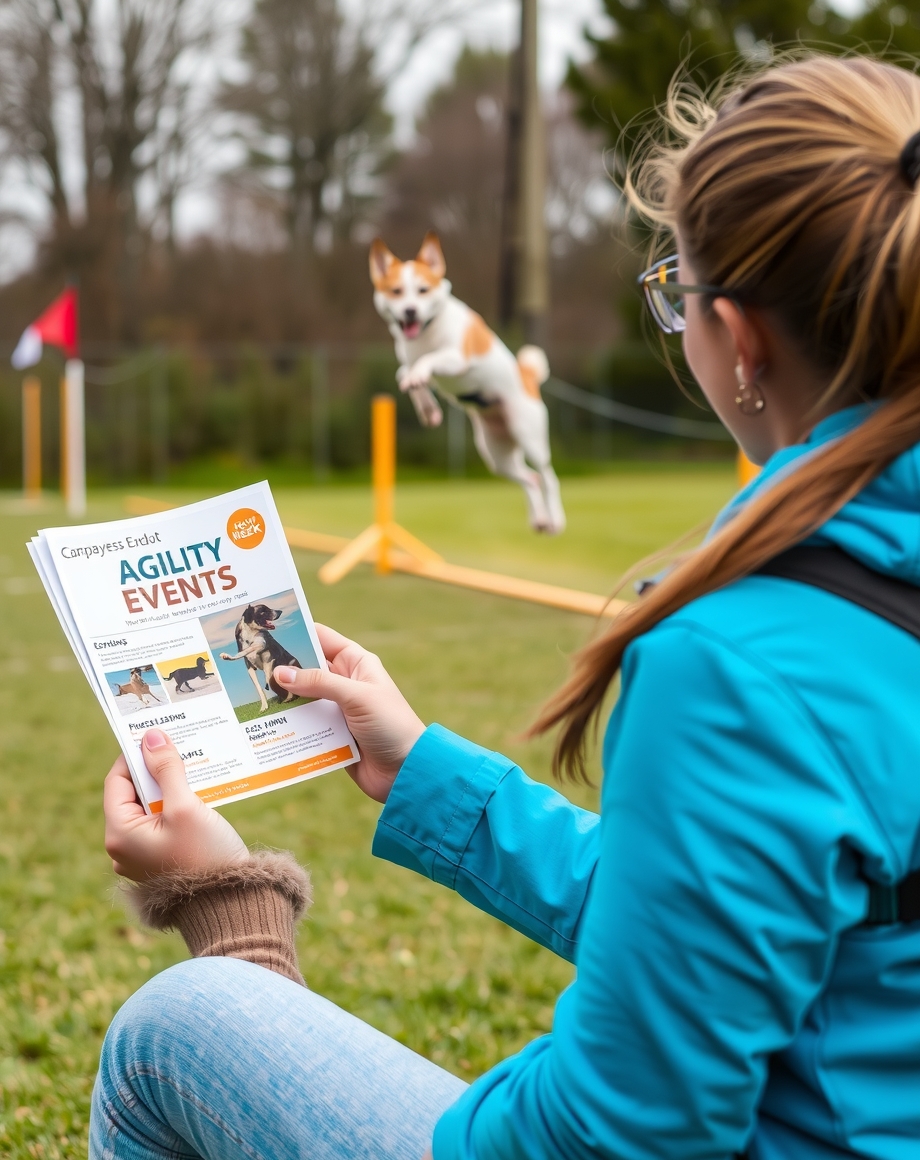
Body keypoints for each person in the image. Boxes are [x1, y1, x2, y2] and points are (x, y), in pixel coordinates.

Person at [92, 52, 920, 1160]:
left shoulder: (741, 663)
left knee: (180, 1025)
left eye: (675, 295)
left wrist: (239, 927)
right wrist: (426, 770)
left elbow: (616, 1128)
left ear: (743, 338)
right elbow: (727, 916)